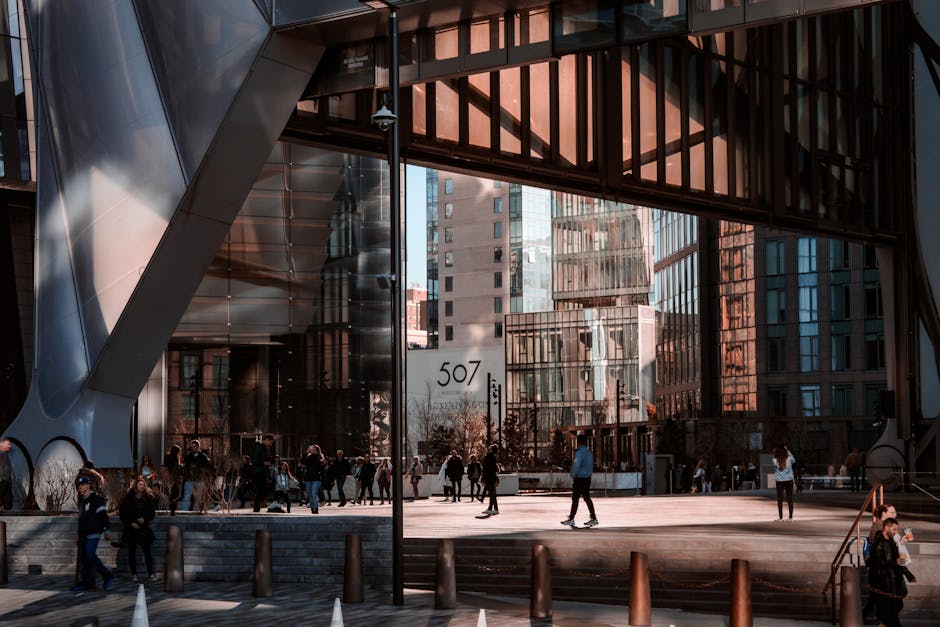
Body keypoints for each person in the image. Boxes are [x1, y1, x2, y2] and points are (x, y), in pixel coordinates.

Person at [71, 475, 114, 592]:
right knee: (85, 559)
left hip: (94, 532)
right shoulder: (82, 502)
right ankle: (85, 583)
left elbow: (103, 515)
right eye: (79, 485)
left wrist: (107, 529)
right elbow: (81, 521)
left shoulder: (96, 499)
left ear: (89, 485)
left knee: (90, 555)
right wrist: (79, 536)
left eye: (83, 484)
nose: (80, 486)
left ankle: (107, 575)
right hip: (84, 535)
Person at [867, 517, 906, 627]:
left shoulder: (891, 541)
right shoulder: (878, 543)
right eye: (894, 529)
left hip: (891, 582)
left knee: (890, 612)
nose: (896, 532)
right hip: (883, 583)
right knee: (889, 614)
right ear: (887, 527)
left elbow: (898, 559)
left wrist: (908, 574)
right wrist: (894, 562)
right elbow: (877, 562)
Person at [119, 478, 157, 582]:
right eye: (140, 484)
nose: (142, 486)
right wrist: (131, 523)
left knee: (147, 551)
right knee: (132, 551)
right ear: (135, 486)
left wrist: (144, 518)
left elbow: (151, 512)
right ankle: (134, 574)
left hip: (143, 528)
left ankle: (150, 573)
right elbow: (123, 513)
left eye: (143, 485)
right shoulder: (128, 498)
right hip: (131, 529)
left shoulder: (147, 498)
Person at [561, 433, 598, 527]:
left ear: (578, 442)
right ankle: (593, 518)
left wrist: (573, 474)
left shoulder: (579, 452)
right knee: (587, 498)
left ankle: (571, 518)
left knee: (575, 498)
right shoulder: (589, 453)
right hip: (587, 478)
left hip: (579, 479)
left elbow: (576, 464)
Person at [179, 439, 211, 512]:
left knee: (198, 497)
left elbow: (207, 467)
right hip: (189, 479)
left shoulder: (203, 456)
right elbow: (185, 465)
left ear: (198, 447)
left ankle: (197, 512)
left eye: (194, 446)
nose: (193, 448)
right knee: (186, 496)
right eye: (192, 446)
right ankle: (184, 512)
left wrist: (199, 469)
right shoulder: (188, 456)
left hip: (199, 479)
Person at [251, 434, 275, 512]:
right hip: (258, 472)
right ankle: (256, 505)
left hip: (261, 471)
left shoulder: (264, 448)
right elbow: (254, 459)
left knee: (263, 490)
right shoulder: (259, 446)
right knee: (262, 490)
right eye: (271, 442)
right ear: (267, 440)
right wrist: (264, 463)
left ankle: (256, 506)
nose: (271, 444)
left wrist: (269, 460)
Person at [773, 444, 796, 521]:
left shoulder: (775, 460)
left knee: (780, 499)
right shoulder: (789, 459)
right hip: (789, 480)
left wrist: (777, 451)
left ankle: (780, 518)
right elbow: (794, 460)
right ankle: (790, 517)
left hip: (779, 481)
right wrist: (787, 450)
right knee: (790, 498)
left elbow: (776, 455)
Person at [301, 444, 324, 514]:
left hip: (316, 478)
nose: (312, 451)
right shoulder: (308, 456)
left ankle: (316, 509)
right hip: (308, 478)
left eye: (314, 450)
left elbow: (319, 463)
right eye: (312, 449)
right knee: (309, 494)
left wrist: (312, 454)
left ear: (317, 450)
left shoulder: (319, 457)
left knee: (314, 493)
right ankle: (312, 508)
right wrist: (306, 452)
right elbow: (302, 462)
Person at [481, 445, 500, 516]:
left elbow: (485, 469)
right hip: (492, 477)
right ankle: (492, 508)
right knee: (492, 493)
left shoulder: (488, 457)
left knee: (492, 494)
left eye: (490, 447)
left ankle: (494, 509)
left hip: (488, 478)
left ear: (491, 450)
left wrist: (483, 478)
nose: (489, 447)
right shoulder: (493, 457)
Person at [163, 444, 182, 515]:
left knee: (168, 494)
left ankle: (168, 509)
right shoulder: (176, 458)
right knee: (174, 494)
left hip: (168, 478)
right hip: (174, 478)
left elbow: (165, 467)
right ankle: (172, 510)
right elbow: (176, 469)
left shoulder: (167, 456)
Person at [0, 438, 13, 510]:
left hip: (6, 482)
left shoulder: (5, 454)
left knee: (8, 501)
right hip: (3, 482)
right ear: (1, 444)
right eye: (8, 444)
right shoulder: (1, 454)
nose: (10, 446)